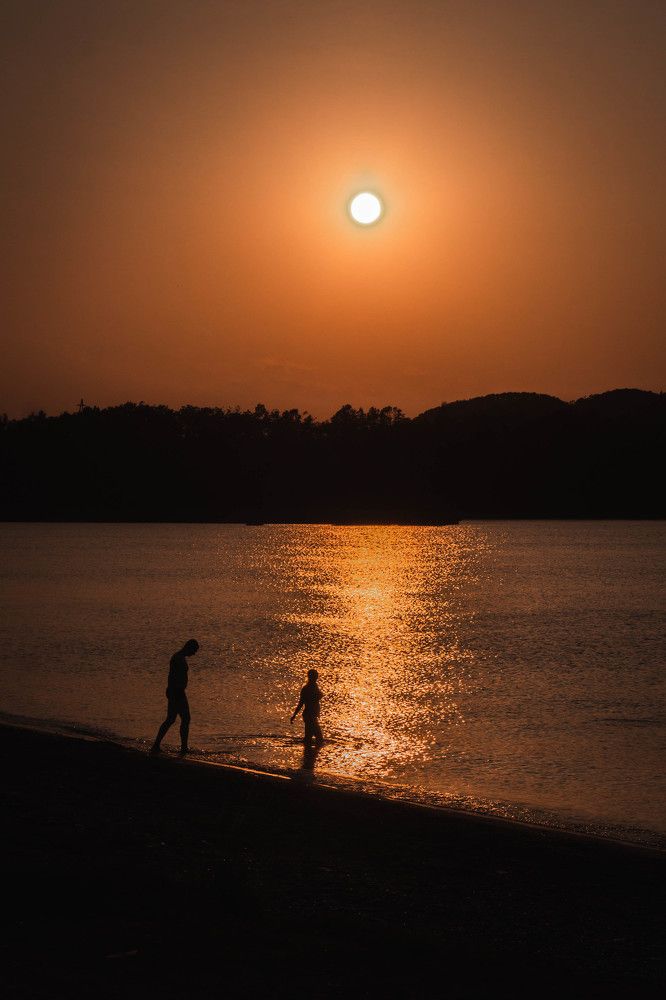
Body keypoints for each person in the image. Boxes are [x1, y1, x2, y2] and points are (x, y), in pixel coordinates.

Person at [151, 639, 199, 755]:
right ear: (189, 647)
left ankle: (157, 745)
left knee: (171, 719)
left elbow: (171, 676)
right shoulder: (178, 658)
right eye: (194, 650)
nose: (194, 653)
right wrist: (172, 690)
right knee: (184, 719)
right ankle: (183, 748)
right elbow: (172, 676)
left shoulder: (179, 657)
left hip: (176, 691)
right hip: (177, 692)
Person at [290, 668, 324, 745]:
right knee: (319, 739)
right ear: (311, 677)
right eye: (315, 676)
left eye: (317, 676)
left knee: (308, 738)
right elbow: (301, 703)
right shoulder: (307, 688)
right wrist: (294, 715)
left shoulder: (314, 686)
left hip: (312, 715)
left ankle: (307, 754)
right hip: (309, 716)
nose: (317, 677)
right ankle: (308, 755)